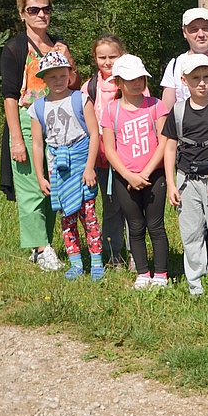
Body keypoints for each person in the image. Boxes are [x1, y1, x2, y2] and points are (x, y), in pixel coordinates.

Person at [0, 0, 74, 271]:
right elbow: (9, 96)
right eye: (34, 9)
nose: (41, 14)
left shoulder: (57, 46)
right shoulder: (14, 48)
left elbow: (73, 84)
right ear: (22, 13)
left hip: (58, 123)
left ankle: (40, 245)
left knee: (51, 187)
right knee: (31, 187)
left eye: (46, 9)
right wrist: (16, 139)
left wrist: (69, 60)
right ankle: (42, 248)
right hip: (27, 124)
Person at [162, 54, 208, 300]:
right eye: (195, 78)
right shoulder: (178, 111)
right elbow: (170, 148)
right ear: (184, 81)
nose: (201, 83)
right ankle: (196, 286)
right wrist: (171, 183)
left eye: (206, 77)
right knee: (190, 235)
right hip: (186, 182)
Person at [28, 52, 104, 281]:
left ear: (70, 75)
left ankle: (97, 261)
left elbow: (94, 134)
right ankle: (76, 262)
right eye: (53, 77)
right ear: (44, 79)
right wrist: (41, 177)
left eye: (63, 75)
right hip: (58, 168)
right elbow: (38, 144)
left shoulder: (80, 99)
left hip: (81, 163)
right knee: (66, 217)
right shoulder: (38, 107)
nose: (59, 81)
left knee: (88, 215)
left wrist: (90, 167)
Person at [101, 54, 171, 290]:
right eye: (131, 79)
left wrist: (147, 172)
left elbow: (164, 142)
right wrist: (129, 176)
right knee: (135, 225)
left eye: (141, 77)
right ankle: (142, 273)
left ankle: (161, 274)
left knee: (156, 225)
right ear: (118, 82)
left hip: (156, 175)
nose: (137, 83)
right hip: (124, 177)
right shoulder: (111, 110)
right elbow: (109, 149)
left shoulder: (156, 105)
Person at [80, 35, 132, 269]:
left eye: (113, 56)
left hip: (129, 155)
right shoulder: (89, 87)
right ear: (95, 58)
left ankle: (135, 253)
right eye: (102, 57)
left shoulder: (132, 81)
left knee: (133, 207)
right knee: (111, 206)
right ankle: (114, 254)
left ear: (123, 56)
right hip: (100, 157)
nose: (108, 61)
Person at [160, 7, 208, 111]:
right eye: (194, 29)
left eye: (205, 28)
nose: (201, 34)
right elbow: (166, 112)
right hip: (188, 126)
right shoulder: (175, 65)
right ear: (184, 32)